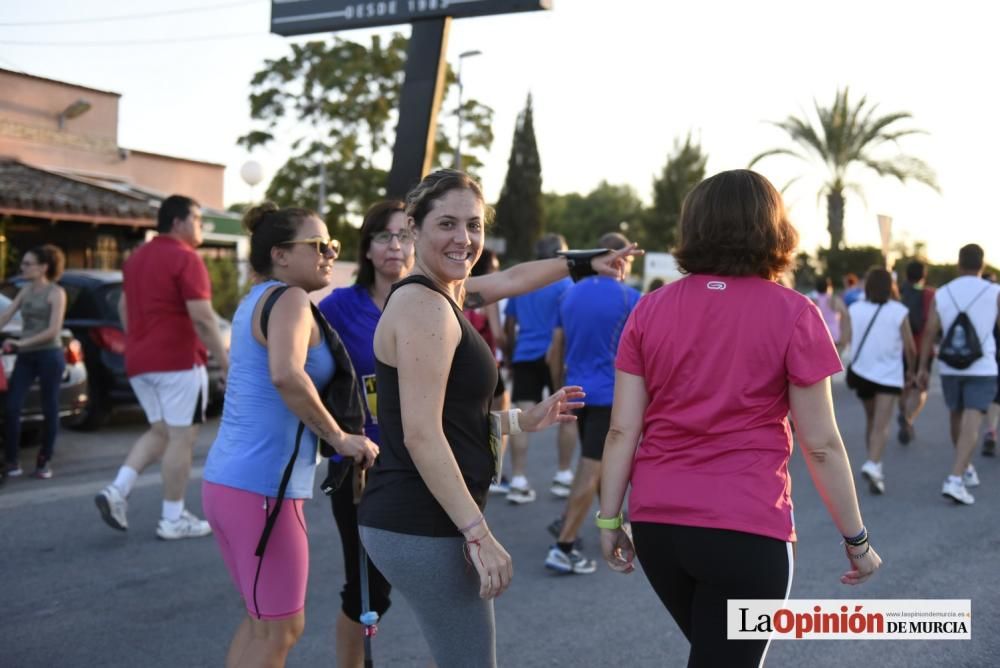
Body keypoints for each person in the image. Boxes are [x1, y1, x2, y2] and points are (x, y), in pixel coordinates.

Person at [597, 170, 881, 667]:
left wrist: (608, 518)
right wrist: (856, 540)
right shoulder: (795, 313)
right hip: (747, 529)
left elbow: (623, 428)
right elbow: (821, 444)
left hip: (659, 528)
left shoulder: (649, 310)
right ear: (774, 229)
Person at [358, 169, 639, 668]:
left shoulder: (446, 292)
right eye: (446, 224)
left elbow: (511, 279)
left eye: (473, 225)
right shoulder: (424, 305)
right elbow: (421, 435)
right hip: (423, 522)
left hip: (420, 519)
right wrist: (479, 534)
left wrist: (516, 423)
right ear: (414, 229)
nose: (463, 239)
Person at [202, 203, 379, 667]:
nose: (329, 254)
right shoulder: (290, 300)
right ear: (280, 254)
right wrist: (341, 438)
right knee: (280, 628)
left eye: (334, 246)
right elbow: (287, 375)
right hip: (263, 490)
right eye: (319, 246)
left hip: (234, 484)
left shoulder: (256, 300)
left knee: (264, 624)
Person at [94, 195, 230, 539]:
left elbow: (125, 308)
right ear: (178, 222)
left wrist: (142, 340)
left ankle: (118, 489)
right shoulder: (186, 258)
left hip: (140, 361)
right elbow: (202, 317)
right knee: (182, 437)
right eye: (198, 219)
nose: (201, 226)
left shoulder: (136, 259)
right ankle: (173, 517)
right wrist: (227, 363)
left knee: (161, 431)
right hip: (178, 360)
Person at [317, 200, 412, 668]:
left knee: (442, 578)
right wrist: (335, 434)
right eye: (383, 237)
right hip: (359, 468)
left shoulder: (430, 301)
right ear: (368, 249)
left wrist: (572, 265)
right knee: (365, 588)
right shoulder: (337, 307)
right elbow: (301, 374)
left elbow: (503, 284)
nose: (395, 246)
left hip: (419, 465)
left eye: (404, 235)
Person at [544, 232, 641, 575]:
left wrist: (558, 390)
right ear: (621, 260)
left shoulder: (569, 295)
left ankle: (606, 520)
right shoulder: (632, 299)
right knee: (591, 468)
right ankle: (564, 545)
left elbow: (554, 349)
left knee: (596, 466)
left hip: (576, 391)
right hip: (608, 397)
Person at [916, 244, 1000, 505]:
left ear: (959, 264)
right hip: (982, 365)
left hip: (950, 364)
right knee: (973, 419)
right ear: (982, 265)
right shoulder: (994, 291)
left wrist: (921, 367)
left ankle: (965, 468)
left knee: (956, 414)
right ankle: (954, 478)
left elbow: (930, 331)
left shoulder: (943, 293)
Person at [503, 234, 577, 503]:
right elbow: (568, 327)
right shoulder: (566, 284)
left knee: (519, 417)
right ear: (561, 255)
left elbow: (509, 325)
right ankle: (563, 475)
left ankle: (519, 479)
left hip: (525, 353)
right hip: (558, 356)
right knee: (567, 414)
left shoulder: (524, 282)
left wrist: (511, 356)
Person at [846, 268, 916, 494]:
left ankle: (873, 463)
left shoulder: (854, 309)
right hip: (888, 376)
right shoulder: (899, 311)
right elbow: (910, 348)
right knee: (881, 425)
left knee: (872, 420)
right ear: (891, 286)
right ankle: (874, 464)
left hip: (862, 373)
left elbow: (844, 340)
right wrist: (912, 371)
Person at [1, 245, 68, 479]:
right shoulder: (25, 291)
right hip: (27, 356)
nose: (23, 267)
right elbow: (6, 315)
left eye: (28, 263)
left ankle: (44, 460)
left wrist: (21, 344)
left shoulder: (56, 293)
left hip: (49, 355)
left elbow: (53, 331)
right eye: (24, 263)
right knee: (12, 406)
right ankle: (11, 460)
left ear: (43, 268)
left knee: (50, 407)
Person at [462, 249, 512, 494]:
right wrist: (507, 350)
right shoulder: (486, 298)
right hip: (487, 364)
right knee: (496, 420)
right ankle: (494, 470)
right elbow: (499, 335)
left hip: (461, 365)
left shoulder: (458, 293)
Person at [897, 260, 936, 444]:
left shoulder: (899, 293)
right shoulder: (930, 295)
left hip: (901, 348)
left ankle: (903, 411)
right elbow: (934, 324)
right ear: (923, 275)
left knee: (904, 383)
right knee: (920, 388)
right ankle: (909, 418)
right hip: (923, 348)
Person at [810, 275, 850, 353]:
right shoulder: (835, 300)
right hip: (834, 336)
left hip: (816, 337)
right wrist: (844, 337)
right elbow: (846, 316)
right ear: (829, 287)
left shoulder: (811, 301)